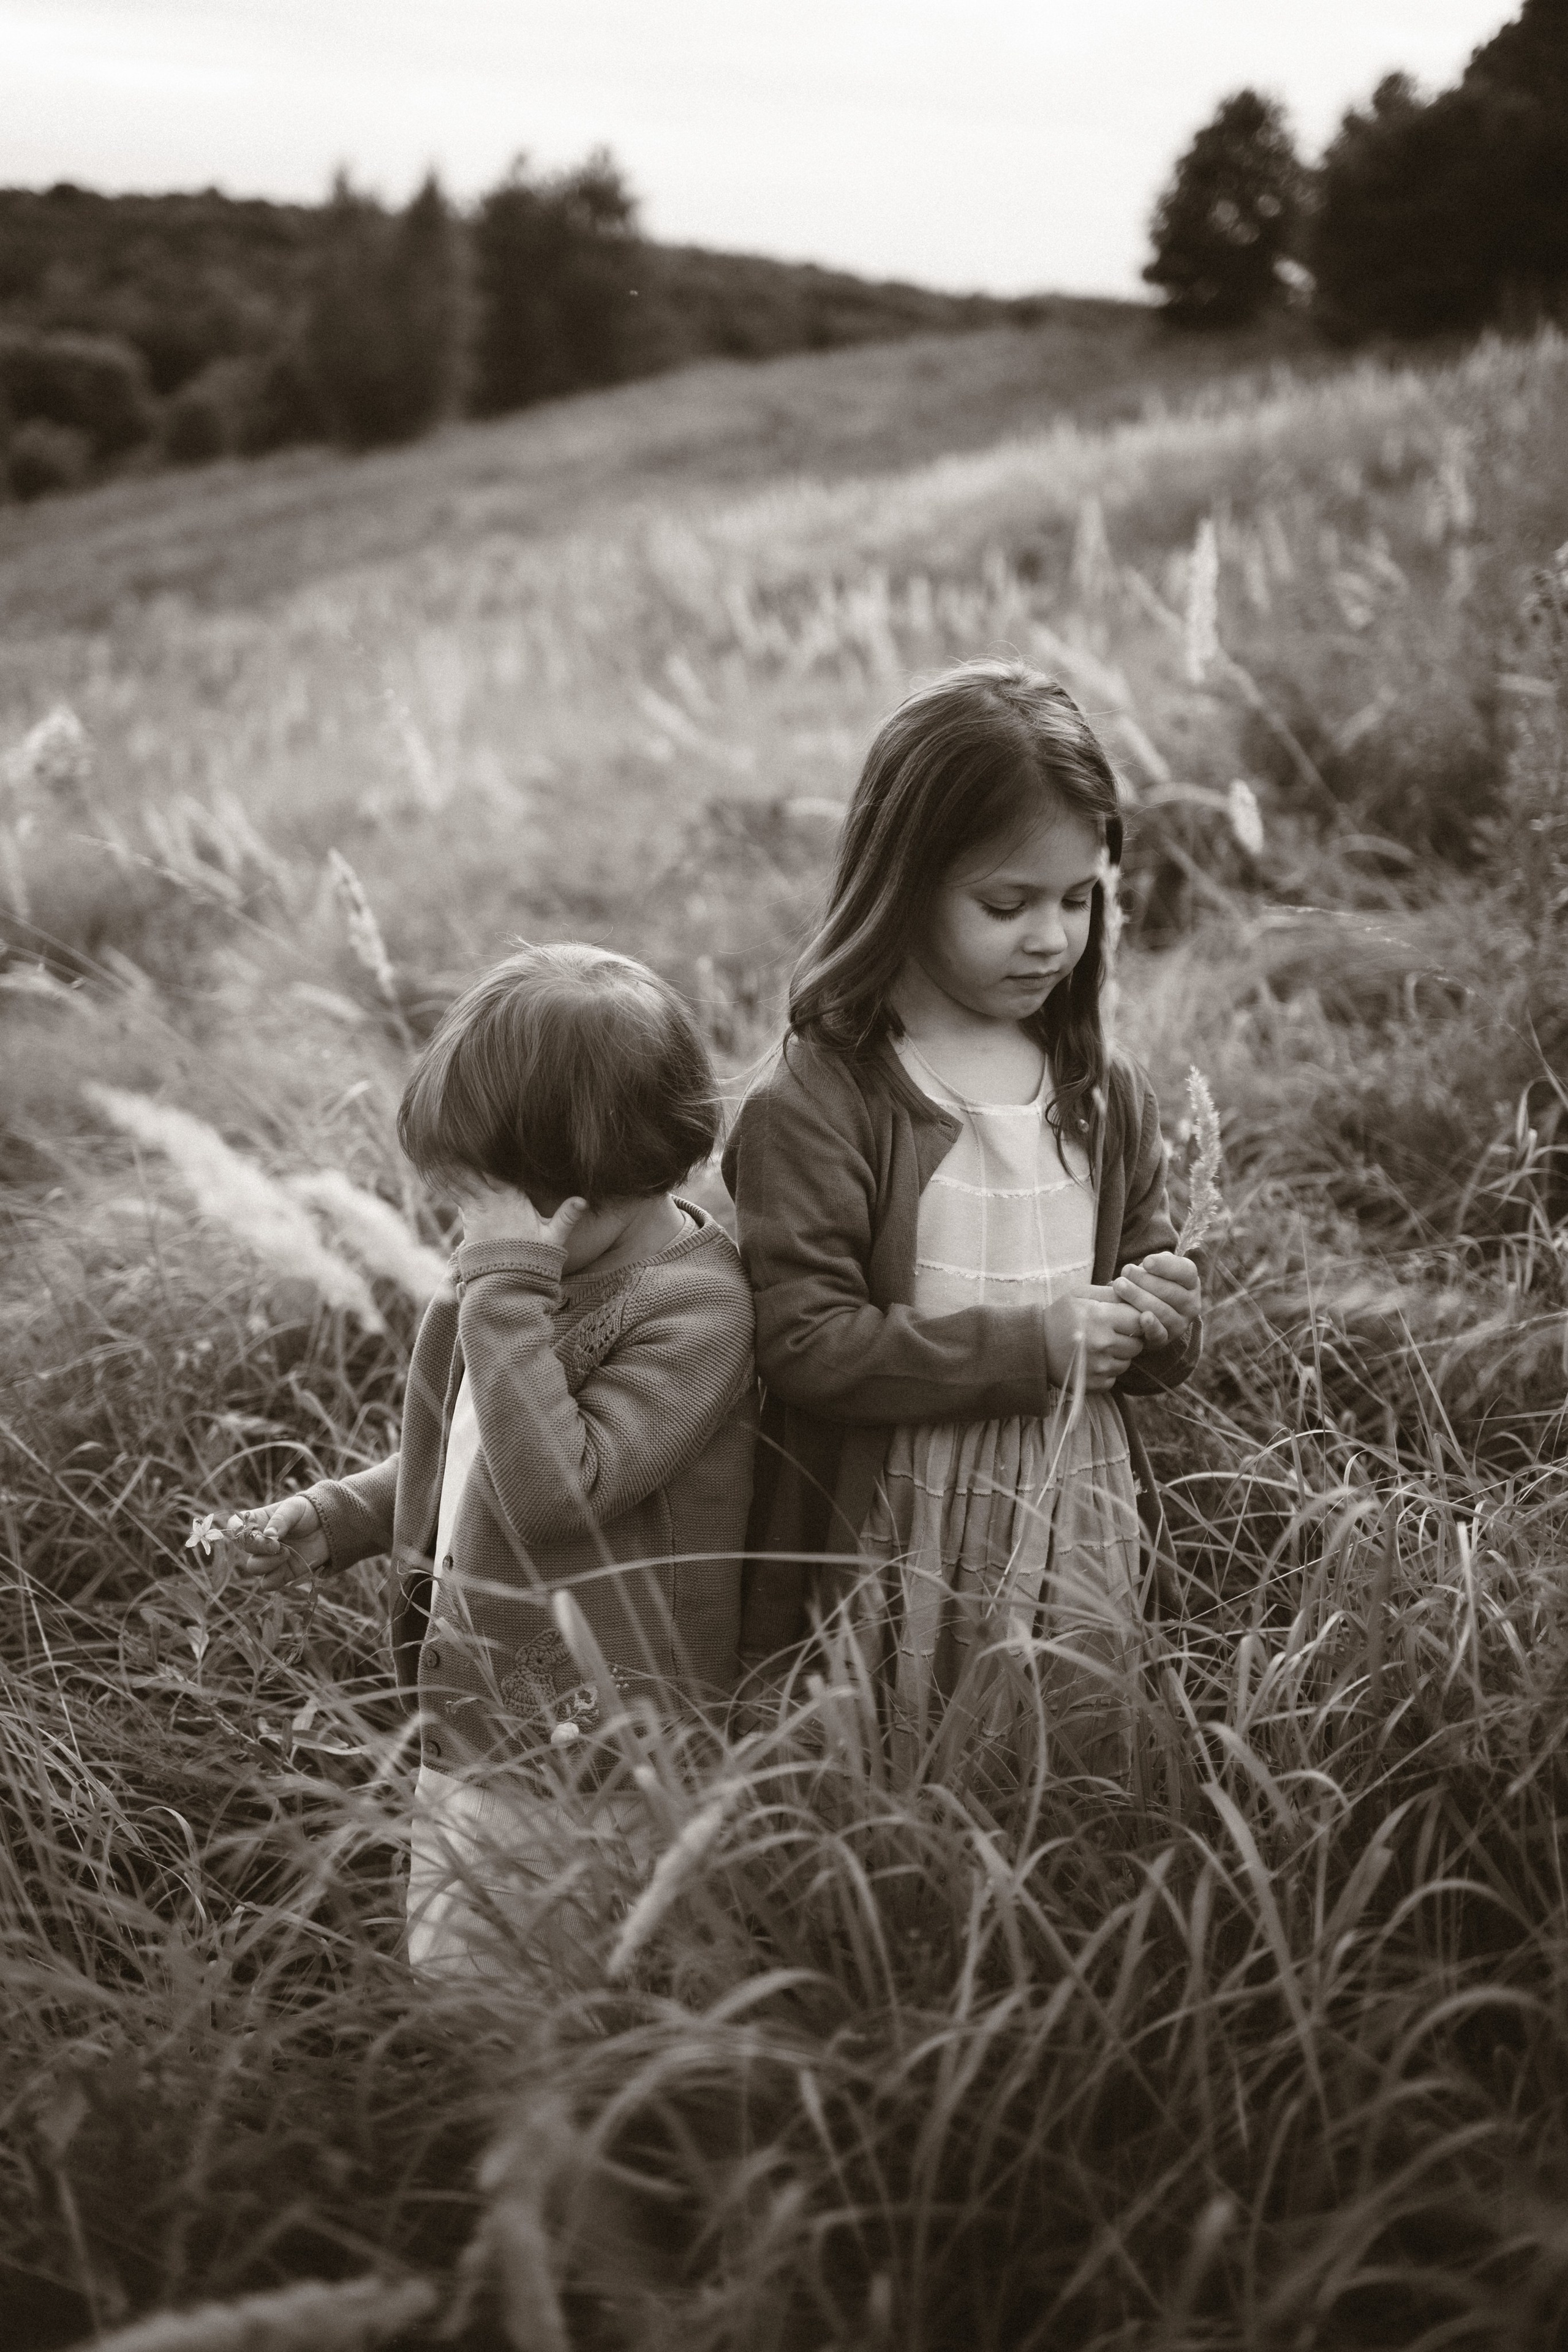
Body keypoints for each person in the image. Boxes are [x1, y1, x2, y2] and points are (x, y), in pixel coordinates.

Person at [230, 942, 756, 1974]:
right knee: (458, 1969)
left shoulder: (693, 1311)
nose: (463, 1234)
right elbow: (474, 1456)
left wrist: (505, 1284)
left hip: (594, 1750)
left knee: (547, 1992)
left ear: (583, 1200)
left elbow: (558, 1493)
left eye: (484, 1207)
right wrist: (345, 1513)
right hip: (477, 1715)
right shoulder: (518, 1280)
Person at [723, 661, 1201, 1776]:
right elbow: (804, 1343)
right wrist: (1034, 1344)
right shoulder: (823, 1099)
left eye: (1078, 899)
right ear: (905, 881)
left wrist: (1166, 1312)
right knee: (908, 1794)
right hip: (895, 1534)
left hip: (1070, 1516)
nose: (1051, 938)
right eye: (1007, 904)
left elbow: (1142, 1269)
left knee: (1072, 1789)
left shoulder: (1098, 1088)